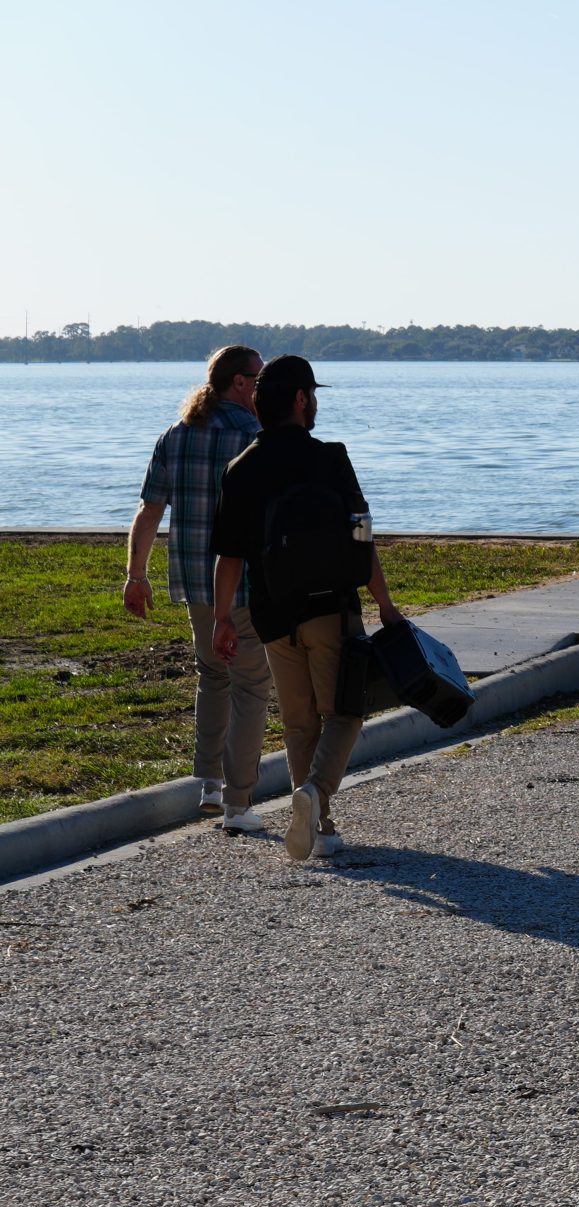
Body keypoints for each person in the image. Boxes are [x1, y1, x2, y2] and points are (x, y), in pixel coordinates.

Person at [207, 356, 402, 862]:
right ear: (299, 399)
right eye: (312, 394)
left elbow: (229, 555)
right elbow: (362, 533)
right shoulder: (330, 458)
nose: (314, 403)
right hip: (331, 608)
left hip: (272, 614)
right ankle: (315, 793)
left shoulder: (240, 468)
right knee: (347, 710)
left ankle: (320, 829)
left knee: (299, 723)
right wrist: (384, 603)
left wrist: (223, 618)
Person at [127, 344, 271, 830]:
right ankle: (238, 803)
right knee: (251, 685)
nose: (263, 386)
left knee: (213, 676)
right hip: (245, 582)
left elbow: (150, 510)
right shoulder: (255, 436)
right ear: (239, 383)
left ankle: (209, 782)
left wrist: (136, 575)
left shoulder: (175, 434)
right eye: (259, 378)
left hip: (195, 579)